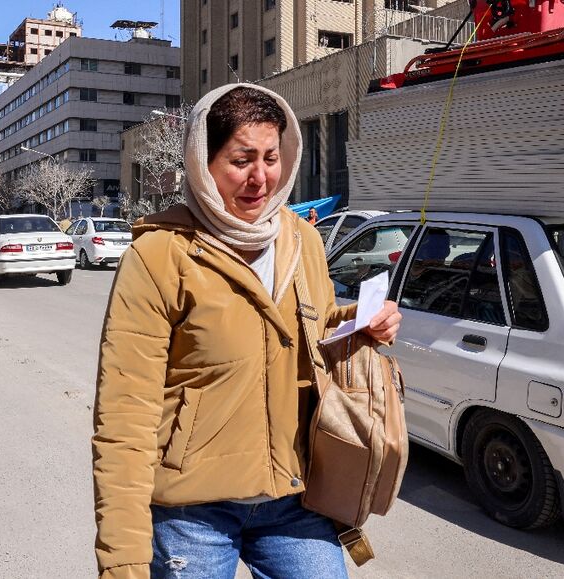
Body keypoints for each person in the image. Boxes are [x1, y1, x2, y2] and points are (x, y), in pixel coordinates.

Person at [92, 84, 401, 579]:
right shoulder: (158, 256)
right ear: (202, 162)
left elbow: (313, 330)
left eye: (270, 158)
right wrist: (123, 557)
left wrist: (361, 323)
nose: (261, 178)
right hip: (192, 510)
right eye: (241, 160)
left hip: (293, 495)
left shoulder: (302, 239)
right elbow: (124, 415)